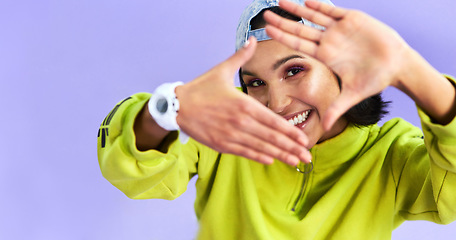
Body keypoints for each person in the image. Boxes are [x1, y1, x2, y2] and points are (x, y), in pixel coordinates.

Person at [97, 0, 456, 239]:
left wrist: (411, 70)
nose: (277, 103)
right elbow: (133, 171)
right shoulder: (230, 121)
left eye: (294, 70)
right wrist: (168, 106)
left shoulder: (390, 153)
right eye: (255, 83)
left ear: (340, 66)